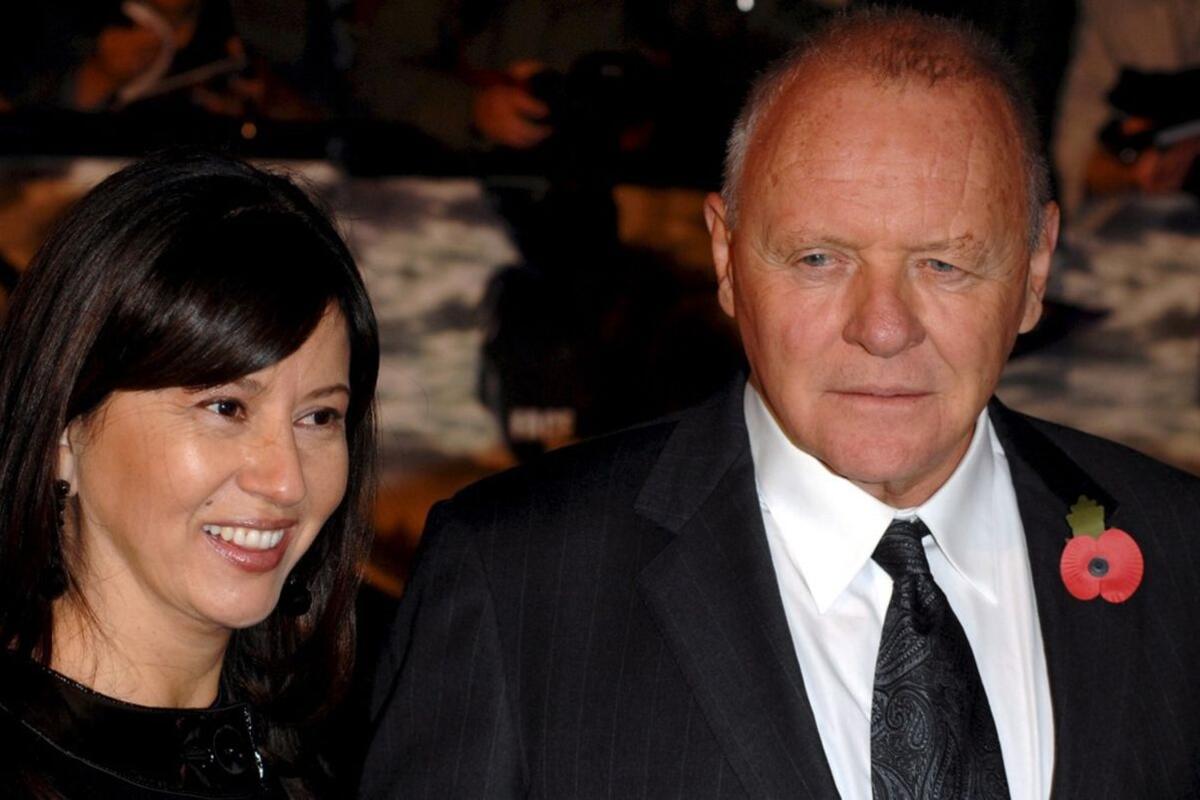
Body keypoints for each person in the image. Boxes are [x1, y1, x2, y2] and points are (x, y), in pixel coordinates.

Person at [361, 9, 1200, 800]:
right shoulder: (514, 585)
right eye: (818, 259)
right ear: (726, 256)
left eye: (944, 264)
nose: (883, 329)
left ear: (1036, 268)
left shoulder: (1183, 553)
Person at [0, 150, 379, 798]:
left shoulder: (347, 757)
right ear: (63, 428)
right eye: (225, 408)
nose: (286, 482)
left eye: (318, 417)